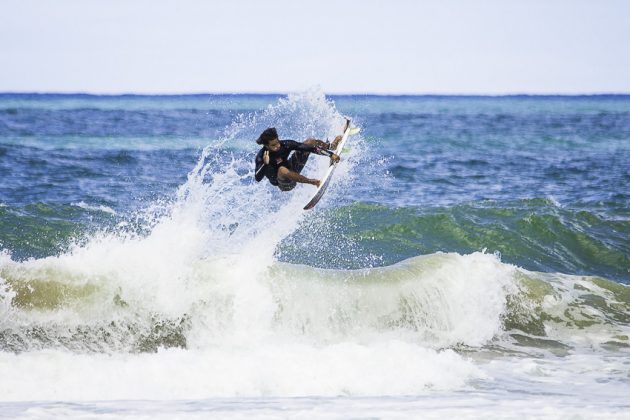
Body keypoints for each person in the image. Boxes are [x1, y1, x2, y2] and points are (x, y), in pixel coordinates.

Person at [254, 121, 348, 191]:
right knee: (281, 170)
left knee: (310, 142)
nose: (277, 146)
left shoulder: (285, 144)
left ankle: (331, 146)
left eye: (277, 142)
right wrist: (265, 164)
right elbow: (257, 178)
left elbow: (308, 148)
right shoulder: (261, 156)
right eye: (273, 145)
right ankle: (314, 182)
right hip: (284, 183)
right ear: (266, 145)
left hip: (293, 169)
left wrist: (330, 155)